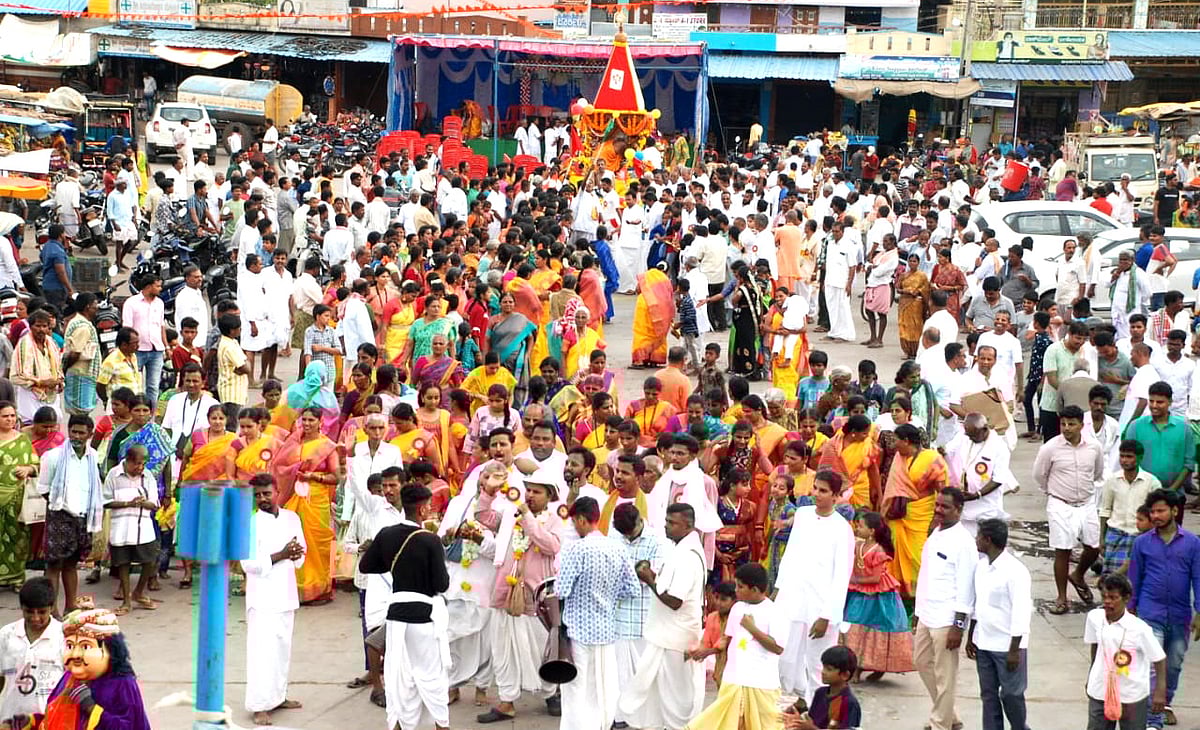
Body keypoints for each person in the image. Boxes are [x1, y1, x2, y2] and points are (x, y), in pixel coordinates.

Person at [360, 483, 452, 730]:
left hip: (396, 615)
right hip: (424, 616)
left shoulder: (386, 534)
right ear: (422, 510)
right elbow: (441, 584)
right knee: (431, 677)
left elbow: (366, 566)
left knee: (401, 677)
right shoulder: (430, 540)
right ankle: (441, 726)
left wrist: (393, 563)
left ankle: (400, 725)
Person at [619, 503, 707, 730]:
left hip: (676, 638)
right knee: (662, 691)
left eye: (672, 523)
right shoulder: (680, 549)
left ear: (687, 525)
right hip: (668, 635)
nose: (666, 527)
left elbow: (675, 601)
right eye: (666, 521)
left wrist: (648, 579)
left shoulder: (687, 556)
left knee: (677, 694)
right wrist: (654, 577)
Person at [555, 495, 640, 730]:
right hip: (607, 628)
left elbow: (561, 589)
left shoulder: (576, 550)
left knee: (575, 687)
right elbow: (632, 588)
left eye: (574, 522)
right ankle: (601, 725)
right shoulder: (617, 549)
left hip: (578, 628)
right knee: (603, 686)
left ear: (582, 520)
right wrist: (609, 596)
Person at [776, 472, 854, 705]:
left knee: (818, 664)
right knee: (785, 656)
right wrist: (778, 590)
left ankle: (817, 711)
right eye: (815, 488)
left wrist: (827, 616)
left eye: (823, 491)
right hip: (793, 596)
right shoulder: (803, 515)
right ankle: (798, 700)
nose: (816, 495)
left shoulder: (842, 529)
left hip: (822, 604)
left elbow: (842, 576)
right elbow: (790, 554)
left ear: (836, 496)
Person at [682, 563, 787, 730]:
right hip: (734, 678)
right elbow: (727, 639)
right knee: (726, 723)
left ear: (754, 589)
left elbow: (778, 648)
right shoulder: (737, 608)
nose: (736, 590)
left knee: (766, 725)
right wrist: (705, 652)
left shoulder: (774, 612)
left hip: (761, 680)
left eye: (740, 587)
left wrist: (752, 629)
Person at [1128, 488, 1200, 730]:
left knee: (1174, 663)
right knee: (1152, 664)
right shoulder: (1142, 543)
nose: (1156, 516)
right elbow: (1134, 578)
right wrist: (1130, 610)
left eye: (1161, 511)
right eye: (1153, 511)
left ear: (1175, 511)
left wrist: (1199, 612)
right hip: (1151, 613)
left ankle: (1165, 702)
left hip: (1180, 615)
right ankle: (1153, 719)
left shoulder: (1192, 543)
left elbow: (1198, 579)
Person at [240, 473, 306, 726]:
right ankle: (259, 706)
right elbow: (248, 564)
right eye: (257, 495)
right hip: (262, 598)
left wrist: (295, 554)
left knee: (281, 649)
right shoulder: (250, 524)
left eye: (267, 493)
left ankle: (278, 697)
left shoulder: (292, 518)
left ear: (277, 491)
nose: (262, 498)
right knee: (261, 653)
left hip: (286, 593)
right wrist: (281, 554)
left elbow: (301, 551)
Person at [913, 487, 977, 730]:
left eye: (945, 507)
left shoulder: (964, 542)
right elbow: (927, 576)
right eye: (937, 505)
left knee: (945, 674)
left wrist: (958, 627)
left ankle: (940, 724)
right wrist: (918, 613)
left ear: (959, 510)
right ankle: (951, 716)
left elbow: (966, 588)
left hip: (947, 620)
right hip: (927, 614)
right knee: (921, 662)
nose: (939, 510)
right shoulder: (935, 533)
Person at [1033, 405, 1105, 615]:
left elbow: (1098, 472)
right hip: (1060, 503)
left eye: (1071, 424)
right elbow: (1039, 475)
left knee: (1093, 547)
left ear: (1082, 425)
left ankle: (1078, 575)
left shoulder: (1094, 447)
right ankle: (1062, 597)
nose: (1066, 428)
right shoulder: (1050, 448)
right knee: (1062, 550)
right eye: (1063, 423)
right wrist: (1053, 492)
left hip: (1086, 502)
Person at [35, 413, 105, 616]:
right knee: (54, 565)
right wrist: (61, 509)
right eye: (73, 431)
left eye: (81, 433)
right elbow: (44, 489)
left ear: (90, 434)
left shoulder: (93, 457)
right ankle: (52, 610)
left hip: (83, 517)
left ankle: (70, 605)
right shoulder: (54, 456)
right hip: (60, 516)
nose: (76, 436)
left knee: (72, 564)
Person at [966, 518, 1032, 730]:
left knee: (1012, 695)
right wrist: (971, 636)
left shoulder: (1016, 571)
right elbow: (978, 605)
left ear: (988, 540)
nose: (975, 540)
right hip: (984, 643)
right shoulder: (981, 567)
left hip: (1008, 647)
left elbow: (1021, 612)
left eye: (978, 536)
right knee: (988, 696)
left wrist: (1014, 650)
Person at [1084, 573, 1167, 730]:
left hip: (1131, 694)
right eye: (1104, 596)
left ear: (1126, 598)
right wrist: (1091, 675)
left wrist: (1160, 692)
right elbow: (1095, 647)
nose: (1107, 602)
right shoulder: (1094, 618)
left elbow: (1159, 659)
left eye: (1113, 597)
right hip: (1100, 690)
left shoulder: (1140, 628)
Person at [841, 511, 913, 681]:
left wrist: (855, 579)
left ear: (872, 531)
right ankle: (855, 667)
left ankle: (877, 666)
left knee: (877, 629)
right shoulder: (858, 546)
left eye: (860, 526)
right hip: (858, 594)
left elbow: (875, 578)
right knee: (854, 628)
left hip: (878, 596)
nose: (857, 528)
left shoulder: (879, 551)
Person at [102, 445, 160, 617]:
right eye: (137, 464)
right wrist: (128, 503)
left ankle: (139, 592)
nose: (140, 468)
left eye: (143, 464)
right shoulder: (114, 474)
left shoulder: (148, 476)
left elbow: (154, 503)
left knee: (150, 560)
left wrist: (143, 502)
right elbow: (105, 501)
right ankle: (126, 601)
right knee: (123, 564)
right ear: (127, 460)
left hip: (143, 526)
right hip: (120, 527)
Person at [0, 577, 63, 724]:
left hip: (49, 720)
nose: (35, 618)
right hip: (11, 719)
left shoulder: (63, 636)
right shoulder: (6, 635)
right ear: (21, 607)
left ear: (52, 607)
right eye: (29, 611)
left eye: (42, 612)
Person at [943, 413, 1017, 536]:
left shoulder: (1000, 447)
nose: (969, 437)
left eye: (972, 435)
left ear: (984, 429)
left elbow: (998, 479)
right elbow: (947, 450)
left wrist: (977, 495)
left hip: (986, 509)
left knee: (984, 549)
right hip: (965, 509)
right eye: (968, 434)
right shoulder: (965, 436)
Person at [1098, 440, 1160, 576]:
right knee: (1110, 581)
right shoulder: (1112, 480)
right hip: (1114, 535)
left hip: (1138, 535)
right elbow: (1105, 510)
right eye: (1122, 456)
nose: (1124, 460)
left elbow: (1156, 514)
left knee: (1133, 578)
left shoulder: (1152, 482)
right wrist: (1102, 539)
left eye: (1129, 456)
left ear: (1140, 457)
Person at [121, 273, 168, 407]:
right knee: (134, 384)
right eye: (157, 286)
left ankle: (150, 415)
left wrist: (167, 347)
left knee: (153, 386)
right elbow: (127, 327)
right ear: (148, 287)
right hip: (138, 351)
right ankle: (133, 411)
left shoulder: (159, 303)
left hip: (156, 350)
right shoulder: (131, 303)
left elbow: (161, 326)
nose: (160, 289)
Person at [632, 264, 675, 369]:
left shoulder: (646, 275)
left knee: (642, 332)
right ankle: (654, 359)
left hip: (644, 304)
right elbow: (669, 298)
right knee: (657, 333)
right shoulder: (666, 280)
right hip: (660, 308)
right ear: (666, 271)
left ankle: (640, 360)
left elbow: (638, 289)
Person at [897, 253, 931, 358]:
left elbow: (926, 290)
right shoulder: (903, 275)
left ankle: (916, 351)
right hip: (904, 304)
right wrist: (905, 291)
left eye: (914, 261)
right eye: (910, 261)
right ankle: (907, 351)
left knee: (916, 327)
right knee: (903, 327)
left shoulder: (922, 276)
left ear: (918, 263)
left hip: (916, 305)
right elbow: (898, 288)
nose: (912, 263)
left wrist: (918, 291)